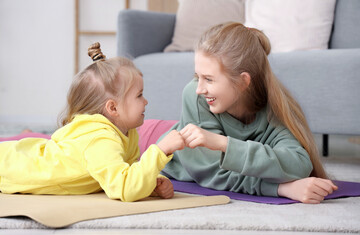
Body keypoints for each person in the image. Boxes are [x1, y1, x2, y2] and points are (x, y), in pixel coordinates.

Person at [157, 22, 338, 204]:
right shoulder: (195, 96)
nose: (199, 88)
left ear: (243, 81)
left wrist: (223, 144)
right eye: (198, 77)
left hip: (185, 125)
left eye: (209, 79)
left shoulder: (275, 108)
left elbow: (299, 166)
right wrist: (280, 188)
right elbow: (212, 174)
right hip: (150, 137)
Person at [0, 42, 185, 202]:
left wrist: (153, 182)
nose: (146, 101)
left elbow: (122, 173)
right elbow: (124, 188)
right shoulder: (100, 139)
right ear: (113, 108)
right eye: (139, 95)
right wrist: (160, 151)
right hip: (11, 167)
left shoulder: (127, 132)